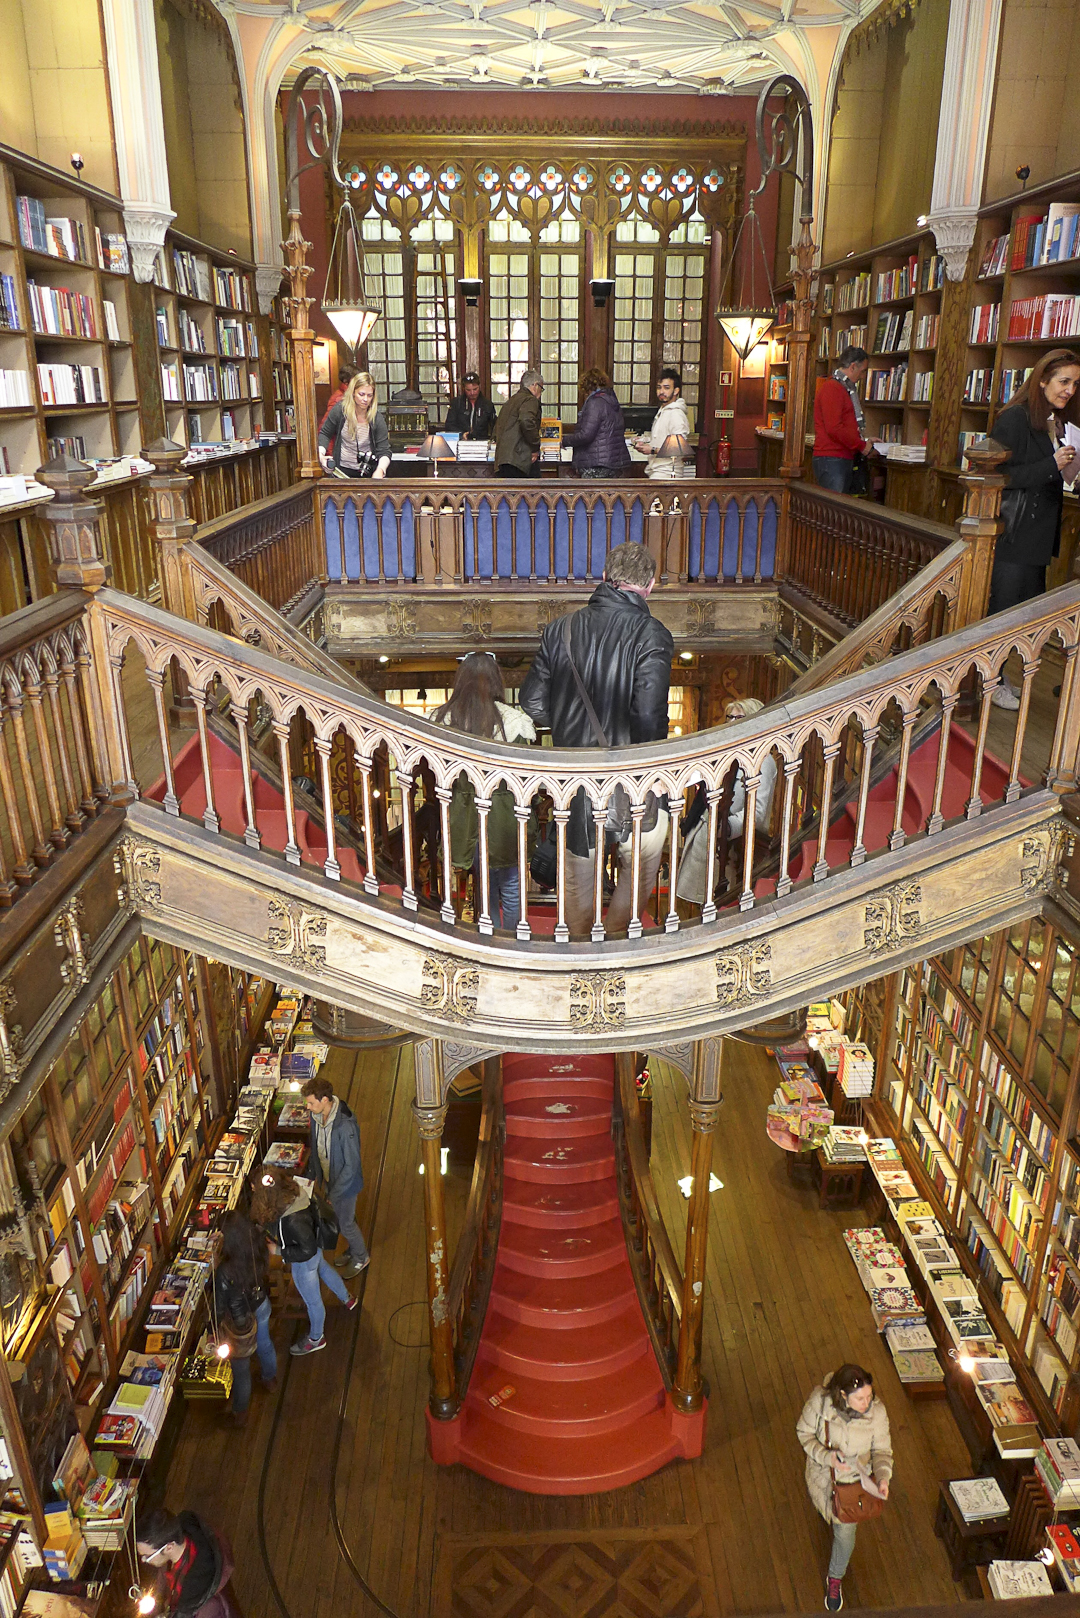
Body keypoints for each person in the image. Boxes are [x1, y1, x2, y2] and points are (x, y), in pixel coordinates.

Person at [519, 540, 673, 936]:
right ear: (651, 585)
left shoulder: (561, 629)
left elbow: (532, 702)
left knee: (577, 882)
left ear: (604, 578)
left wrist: (570, 729)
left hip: (575, 783)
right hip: (632, 784)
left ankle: (578, 955)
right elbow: (648, 716)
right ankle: (619, 941)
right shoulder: (652, 634)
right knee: (640, 867)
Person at [987, 347, 1080, 708]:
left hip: (1036, 537)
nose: (1070, 390)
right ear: (1042, 380)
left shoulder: (1054, 422)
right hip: (1014, 533)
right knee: (1003, 613)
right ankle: (989, 682)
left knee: (1021, 616)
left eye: (1074, 383)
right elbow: (996, 476)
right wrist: (1052, 464)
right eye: (1063, 381)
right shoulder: (1015, 418)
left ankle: (997, 677)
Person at [433, 652, 536, 933]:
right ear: (495, 680)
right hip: (506, 814)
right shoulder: (514, 721)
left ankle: (489, 939)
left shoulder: (443, 719)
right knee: (512, 885)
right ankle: (513, 940)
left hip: (464, 815)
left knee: (484, 884)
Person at [796, 1364, 892, 1611]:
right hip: (822, 1476)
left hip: (852, 1485)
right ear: (841, 1395)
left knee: (845, 1534)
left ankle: (835, 1577)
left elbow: (881, 1450)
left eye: (869, 1396)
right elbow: (804, 1433)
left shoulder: (877, 1413)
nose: (866, 1403)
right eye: (860, 1398)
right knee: (826, 1510)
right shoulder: (819, 1401)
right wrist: (827, 1457)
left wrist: (882, 1477)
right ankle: (826, 1513)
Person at [675, 697, 778, 908]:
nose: (731, 723)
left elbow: (757, 812)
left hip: (730, 846)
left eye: (739, 718)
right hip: (706, 834)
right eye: (729, 717)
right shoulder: (727, 754)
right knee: (700, 903)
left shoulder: (763, 761)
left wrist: (727, 828)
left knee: (719, 904)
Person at [250, 1168, 356, 1356]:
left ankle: (317, 1338)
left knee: (313, 1301)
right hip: (314, 1244)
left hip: (304, 1262)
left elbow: (306, 1250)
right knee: (323, 1267)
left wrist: (279, 1251)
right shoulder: (293, 1193)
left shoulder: (291, 1219)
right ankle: (347, 1298)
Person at [301, 1076, 369, 1279]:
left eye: (311, 1102)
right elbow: (316, 1148)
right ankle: (352, 1250)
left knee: (346, 1223)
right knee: (345, 1219)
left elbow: (352, 1165)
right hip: (331, 1179)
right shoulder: (316, 1117)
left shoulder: (345, 1126)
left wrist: (334, 1192)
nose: (308, 1106)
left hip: (345, 1185)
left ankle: (361, 1256)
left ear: (325, 1100)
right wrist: (313, 1175)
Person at [212, 1211, 276, 1424]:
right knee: (265, 1343)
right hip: (261, 1304)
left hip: (240, 1322)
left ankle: (240, 1412)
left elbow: (220, 1305)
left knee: (241, 1367)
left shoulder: (225, 1270)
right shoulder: (256, 1242)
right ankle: (269, 1379)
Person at [136, 1508, 235, 1618]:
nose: (143, 1560)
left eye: (147, 1556)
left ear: (169, 1547)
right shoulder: (173, 1554)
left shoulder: (205, 1602)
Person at [812, 347, 869, 494]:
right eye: (862, 371)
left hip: (838, 457)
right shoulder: (833, 388)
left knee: (838, 510)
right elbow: (834, 428)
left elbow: (844, 425)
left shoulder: (843, 388)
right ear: (852, 367)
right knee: (833, 511)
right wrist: (861, 445)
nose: (862, 376)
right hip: (832, 458)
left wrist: (864, 440)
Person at [318, 372, 391, 479]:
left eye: (369, 395)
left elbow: (384, 450)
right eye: (361, 394)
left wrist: (380, 470)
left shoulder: (376, 418)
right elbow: (325, 433)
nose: (365, 399)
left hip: (368, 471)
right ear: (353, 393)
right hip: (342, 470)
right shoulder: (340, 410)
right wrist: (321, 456)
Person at [565, 367, 631, 477]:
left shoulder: (595, 402)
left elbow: (586, 435)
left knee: (591, 494)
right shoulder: (612, 401)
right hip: (614, 462)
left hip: (596, 463)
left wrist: (565, 441)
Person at [634, 368, 692, 475]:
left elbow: (679, 449)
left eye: (666, 388)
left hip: (668, 472)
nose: (661, 392)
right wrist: (644, 441)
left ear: (676, 391)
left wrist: (652, 450)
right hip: (657, 470)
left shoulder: (676, 413)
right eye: (659, 387)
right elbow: (661, 438)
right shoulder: (663, 411)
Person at [494, 369, 544, 476]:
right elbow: (527, 421)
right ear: (535, 386)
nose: (541, 392)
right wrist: (535, 447)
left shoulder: (511, 401)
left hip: (503, 459)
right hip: (520, 459)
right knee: (531, 491)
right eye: (541, 388)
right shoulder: (530, 400)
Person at [444, 371, 497, 440]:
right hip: (461, 442)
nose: (472, 393)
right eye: (468, 390)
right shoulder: (457, 403)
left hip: (481, 442)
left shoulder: (487, 404)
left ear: (479, 386)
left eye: (475, 389)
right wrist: (462, 434)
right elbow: (449, 425)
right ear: (464, 389)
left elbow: (494, 426)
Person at [319, 363, 358, 430]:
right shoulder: (339, 398)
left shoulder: (350, 394)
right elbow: (325, 427)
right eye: (355, 379)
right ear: (346, 381)